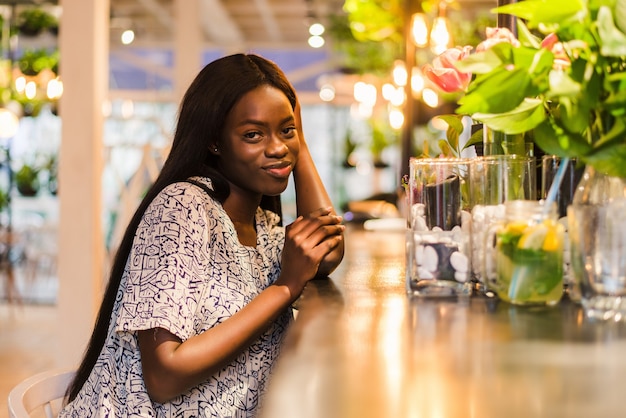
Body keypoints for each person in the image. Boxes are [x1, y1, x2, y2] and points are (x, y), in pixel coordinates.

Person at [60, 53, 345, 417]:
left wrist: (296, 142)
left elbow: (328, 251)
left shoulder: (264, 224)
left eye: (286, 131)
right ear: (214, 141)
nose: (276, 148)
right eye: (253, 134)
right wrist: (284, 288)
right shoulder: (182, 207)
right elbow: (164, 375)